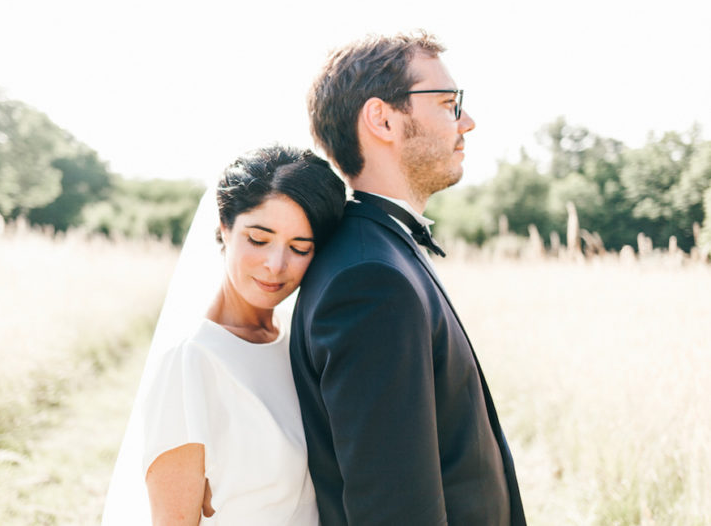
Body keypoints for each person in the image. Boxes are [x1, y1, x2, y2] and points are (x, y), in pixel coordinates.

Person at [289, 31, 526, 525]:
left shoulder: (379, 252)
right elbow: (392, 509)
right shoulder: (369, 280)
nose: (467, 121)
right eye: (447, 103)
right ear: (383, 119)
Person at [102, 145, 346, 525]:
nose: (275, 266)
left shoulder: (299, 339)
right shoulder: (190, 362)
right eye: (259, 239)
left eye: (300, 248)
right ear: (224, 227)